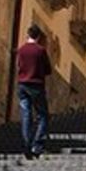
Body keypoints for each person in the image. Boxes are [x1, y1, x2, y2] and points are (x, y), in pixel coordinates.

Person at [15, 25, 52, 159]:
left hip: (22, 85)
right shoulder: (41, 50)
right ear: (38, 37)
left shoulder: (21, 49)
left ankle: (26, 144)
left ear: (28, 35)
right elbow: (48, 69)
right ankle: (37, 145)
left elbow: (19, 65)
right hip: (36, 85)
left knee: (26, 115)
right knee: (43, 115)